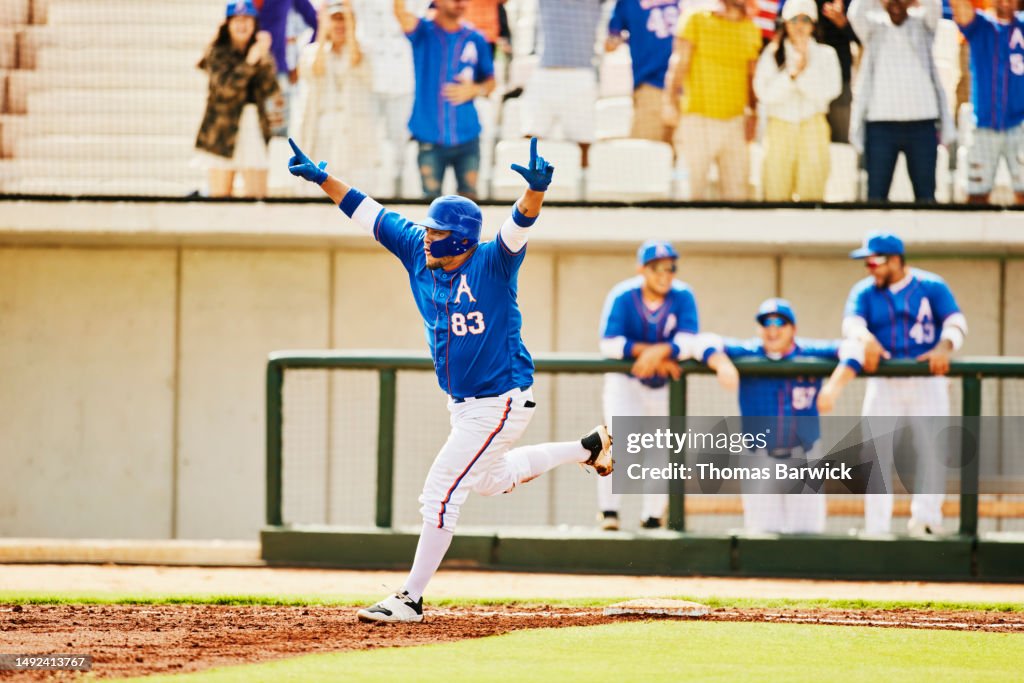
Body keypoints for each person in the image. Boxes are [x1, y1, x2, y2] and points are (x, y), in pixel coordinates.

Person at [286, 136, 613, 622]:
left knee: (440, 490)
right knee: (489, 480)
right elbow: (367, 211)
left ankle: (410, 598)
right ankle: (590, 448)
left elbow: (518, 224)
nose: (426, 236)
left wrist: (535, 192)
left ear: (460, 239)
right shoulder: (420, 252)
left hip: (501, 397)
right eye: (428, 228)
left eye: (437, 231)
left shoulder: (491, 261)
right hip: (465, 403)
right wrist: (323, 179)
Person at [698, 299, 863, 534]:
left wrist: (833, 387)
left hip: (804, 455)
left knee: (808, 535)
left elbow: (854, 349)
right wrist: (722, 364)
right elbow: (703, 341)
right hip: (758, 458)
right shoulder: (749, 351)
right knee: (761, 534)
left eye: (780, 324)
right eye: (766, 324)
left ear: (793, 329)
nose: (773, 330)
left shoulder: (809, 352)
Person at [842, 231, 968, 535]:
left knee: (934, 449)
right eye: (867, 261)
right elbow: (851, 323)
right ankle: (877, 528)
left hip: (927, 378)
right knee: (874, 452)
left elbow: (957, 322)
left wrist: (944, 347)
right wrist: (865, 338)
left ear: (896, 260)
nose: (869, 267)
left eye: (875, 260)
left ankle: (926, 522)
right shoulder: (865, 291)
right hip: (885, 379)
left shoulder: (931, 285)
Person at [597, 240, 700, 530]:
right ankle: (609, 513)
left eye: (670, 268)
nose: (665, 274)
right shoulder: (623, 295)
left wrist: (660, 353)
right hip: (625, 381)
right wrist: (653, 352)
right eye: (657, 268)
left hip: (664, 383)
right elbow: (609, 343)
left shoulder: (683, 295)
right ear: (642, 269)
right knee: (618, 441)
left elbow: (689, 341)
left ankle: (652, 517)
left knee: (661, 448)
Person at [848, 0, 956, 202]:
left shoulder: (923, 26)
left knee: (926, 197)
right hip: (880, 126)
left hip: (922, 125)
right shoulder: (874, 28)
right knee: (876, 197)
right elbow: (855, 13)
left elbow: (934, 7)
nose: (896, 4)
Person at [394, 0, 496, 199]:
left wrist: (476, 89)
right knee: (431, 204)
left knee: (468, 204)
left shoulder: (476, 38)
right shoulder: (423, 32)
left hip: (467, 135)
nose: (460, 2)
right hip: (429, 136)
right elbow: (400, 11)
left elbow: (491, 83)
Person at [663, 0, 762, 200]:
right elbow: (679, 63)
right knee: (692, 192)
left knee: (738, 195)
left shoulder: (751, 28)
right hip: (698, 120)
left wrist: (753, 113)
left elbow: (751, 77)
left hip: (735, 124)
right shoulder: (695, 19)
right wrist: (670, 102)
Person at [754, 0, 842, 200]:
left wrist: (803, 73)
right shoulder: (772, 54)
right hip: (779, 129)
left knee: (812, 192)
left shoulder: (827, 54)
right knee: (775, 192)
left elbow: (830, 90)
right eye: (794, 19)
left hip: (814, 128)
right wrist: (792, 75)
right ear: (785, 23)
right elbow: (764, 93)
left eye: (805, 19)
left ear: (814, 24)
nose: (799, 25)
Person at [195, 0, 282, 198]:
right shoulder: (217, 52)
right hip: (221, 133)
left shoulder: (259, 52)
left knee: (257, 196)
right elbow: (226, 89)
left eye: (247, 20)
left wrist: (264, 57)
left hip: (253, 126)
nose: (242, 25)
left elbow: (271, 89)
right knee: (220, 196)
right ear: (228, 24)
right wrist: (250, 62)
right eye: (237, 20)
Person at [292, 1, 376, 194]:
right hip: (322, 130)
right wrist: (322, 29)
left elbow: (358, 65)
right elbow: (316, 69)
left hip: (351, 130)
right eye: (335, 20)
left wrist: (349, 18)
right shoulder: (311, 51)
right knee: (319, 183)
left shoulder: (364, 50)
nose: (340, 26)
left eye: (344, 21)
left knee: (350, 187)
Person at [349, 0, 430, 197]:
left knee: (400, 140)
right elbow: (349, 10)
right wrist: (353, 46)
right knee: (364, 139)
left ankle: (398, 194)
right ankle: (361, 195)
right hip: (367, 73)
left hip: (402, 74)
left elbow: (420, 19)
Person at [951, 0, 1024, 204]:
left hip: (1020, 124)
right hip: (984, 124)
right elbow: (960, 8)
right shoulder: (981, 26)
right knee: (976, 195)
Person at [522, 0, 604, 167]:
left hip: (581, 74)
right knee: (530, 140)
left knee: (584, 143)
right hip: (545, 72)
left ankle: (582, 188)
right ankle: (527, 189)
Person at [605, 0, 682, 143]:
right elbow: (611, 41)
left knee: (684, 161)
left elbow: (611, 43)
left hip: (690, 91)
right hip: (652, 87)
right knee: (645, 158)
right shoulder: (627, 3)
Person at [257, 0, 319, 136]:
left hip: (277, 76)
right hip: (241, 77)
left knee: (276, 137)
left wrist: (301, 61)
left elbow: (319, 23)